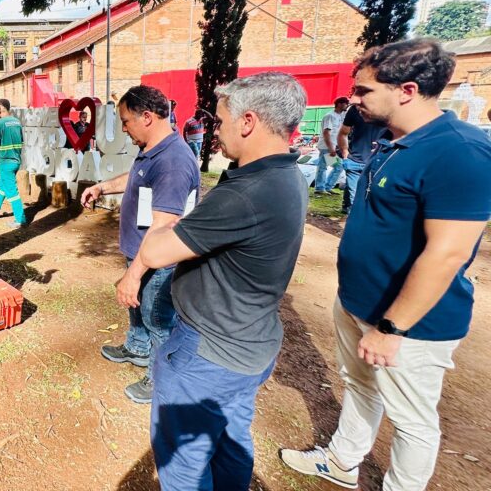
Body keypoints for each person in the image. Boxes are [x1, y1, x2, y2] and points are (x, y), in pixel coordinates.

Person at [280, 39, 491, 491]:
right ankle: (342, 461)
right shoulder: (388, 140)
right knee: (360, 388)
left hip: (411, 324)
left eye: (363, 91)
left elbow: (448, 253)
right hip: (359, 303)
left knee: (411, 419)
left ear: (408, 90)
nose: (353, 100)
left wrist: (393, 327)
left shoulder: (460, 152)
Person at [118, 72, 308, 489]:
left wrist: (175, 229)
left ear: (248, 122)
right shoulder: (286, 176)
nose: (214, 131)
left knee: (183, 464)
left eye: (220, 121)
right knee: (229, 442)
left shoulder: (245, 193)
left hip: (209, 352)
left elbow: (154, 250)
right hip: (248, 342)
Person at [81, 85, 199, 405]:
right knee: (138, 309)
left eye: (125, 121)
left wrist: (133, 274)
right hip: (139, 250)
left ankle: (162, 377)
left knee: (158, 317)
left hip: (160, 261)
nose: (122, 128)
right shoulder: (153, 149)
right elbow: (136, 176)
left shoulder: (173, 161)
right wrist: (102, 188)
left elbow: (164, 226)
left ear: (147, 117)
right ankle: (136, 347)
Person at [336, 99, 385, 214]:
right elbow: (342, 132)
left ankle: (347, 206)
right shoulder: (354, 110)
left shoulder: (392, 109)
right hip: (354, 161)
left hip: (378, 163)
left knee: (373, 200)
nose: (352, 99)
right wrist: (344, 152)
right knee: (356, 201)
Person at [0, 98, 27, 227]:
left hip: (5, 162)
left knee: (12, 191)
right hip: (16, 161)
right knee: (2, 187)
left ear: (0, 109)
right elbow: (21, 141)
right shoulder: (17, 122)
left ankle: (20, 219)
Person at [314, 96, 349, 195]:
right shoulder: (330, 116)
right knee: (323, 167)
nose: (347, 105)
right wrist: (331, 148)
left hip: (333, 146)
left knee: (338, 167)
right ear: (339, 104)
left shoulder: (340, 115)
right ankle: (320, 188)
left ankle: (326, 187)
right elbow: (326, 133)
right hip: (327, 147)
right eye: (345, 103)